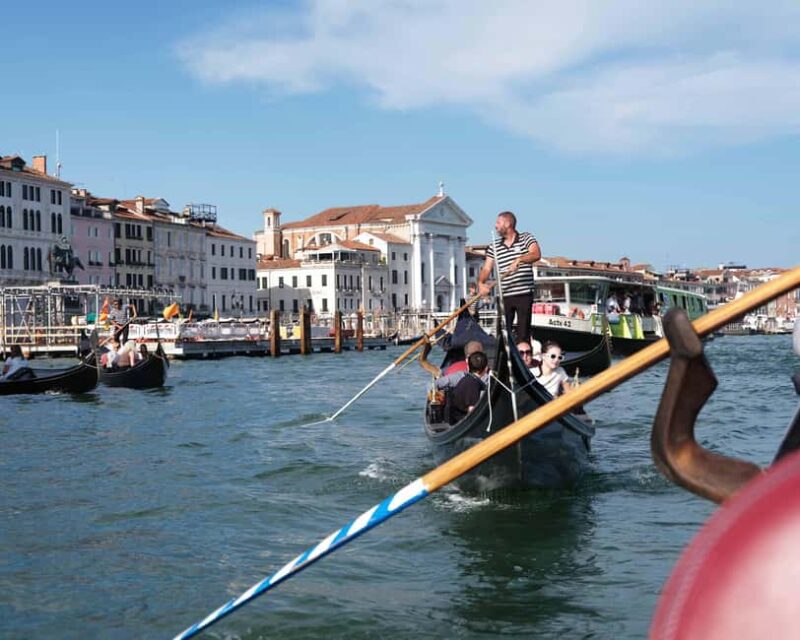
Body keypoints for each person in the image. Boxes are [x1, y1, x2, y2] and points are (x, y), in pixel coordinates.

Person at [478, 211, 541, 344]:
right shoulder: (493, 247)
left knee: (523, 333)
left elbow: (536, 254)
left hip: (524, 294)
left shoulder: (525, 238)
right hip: (505, 295)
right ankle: (504, 360)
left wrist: (520, 259)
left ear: (507, 224)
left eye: (498, 223)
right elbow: (486, 268)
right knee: (503, 333)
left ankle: (523, 357)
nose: (495, 226)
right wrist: (481, 283)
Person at [448, 351, 489, 425]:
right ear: (486, 369)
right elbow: (472, 411)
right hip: (459, 420)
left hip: (455, 415)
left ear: (468, 367)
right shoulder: (473, 384)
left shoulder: (467, 379)